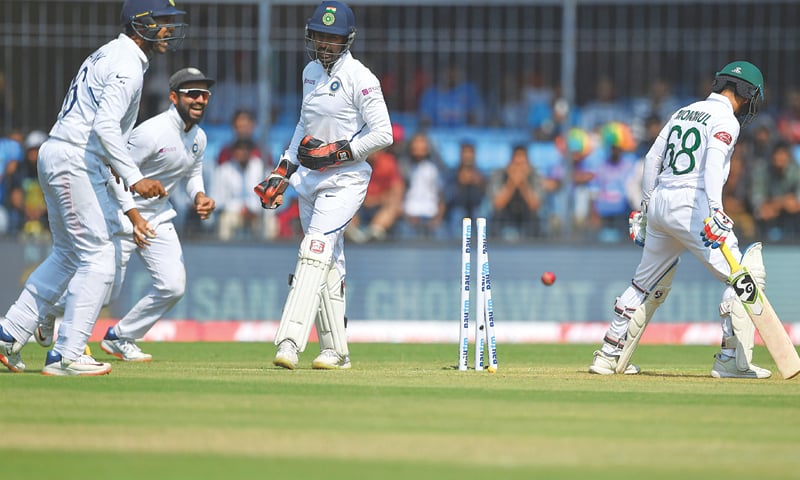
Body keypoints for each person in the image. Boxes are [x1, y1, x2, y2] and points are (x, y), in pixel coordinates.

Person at [0, 0, 186, 376]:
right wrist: (135, 178)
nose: (168, 28)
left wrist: (128, 201)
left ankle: (8, 334)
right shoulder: (127, 65)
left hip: (63, 154)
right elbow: (104, 127)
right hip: (75, 158)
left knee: (68, 256)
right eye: (163, 21)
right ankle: (67, 355)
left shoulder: (109, 53)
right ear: (142, 23)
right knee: (99, 256)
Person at [588, 60, 772, 379]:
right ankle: (731, 359)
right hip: (694, 206)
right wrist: (715, 208)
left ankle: (607, 355)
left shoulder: (684, 111)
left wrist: (646, 207)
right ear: (745, 92)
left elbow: (651, 158)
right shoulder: (727, 119)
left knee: (641, 283)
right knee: (742, 277)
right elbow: (713, 163)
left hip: (661, 201)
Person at [253, 1, 392, 370]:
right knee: (329, 260)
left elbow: (384, 133)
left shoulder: (361, 78)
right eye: (319, 36)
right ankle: (336, 351)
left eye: (332, 38)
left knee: (313, 247)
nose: (324, 44)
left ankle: (289, 342)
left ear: (347, 40)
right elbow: (304, 126)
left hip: (346, 180)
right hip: (309, 180)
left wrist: (339, 153)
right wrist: (282, 170)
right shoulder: (310, 72)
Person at [214, 138, 275, 241]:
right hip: (234, 212)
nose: (242, 153)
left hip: (257, 213)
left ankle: (268, 254)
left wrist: (254, 210)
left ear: (251, 151)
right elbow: (219, 200)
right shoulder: (224, 170)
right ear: (233, 152)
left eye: (245, 150)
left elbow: (271, 196)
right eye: (239, 150)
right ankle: (224, 253)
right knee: (225, 221)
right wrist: (240, 209)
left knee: (271, 222)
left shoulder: (262, 168)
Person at [487, 144, 544, 240]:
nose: (519, 169)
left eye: (522, 165)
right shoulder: (499, 175)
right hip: (505, 214)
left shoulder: (535, 176)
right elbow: (498, 204)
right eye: (517, 165)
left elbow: (534, 205)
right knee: (495, 219)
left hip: (527, 215)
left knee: (536, 220)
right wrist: (511, 183)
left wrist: (523, 184)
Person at [750, 141, 800, 241]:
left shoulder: (796, 172)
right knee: (759, 214)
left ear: (788, 157)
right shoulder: (763, 171)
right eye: (777, 154)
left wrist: (775, 205)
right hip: (769, 213)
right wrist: (783, 202)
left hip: (790, 215)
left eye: (783, 154)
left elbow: (796, 203)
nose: (779, 158)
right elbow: (756, 199)